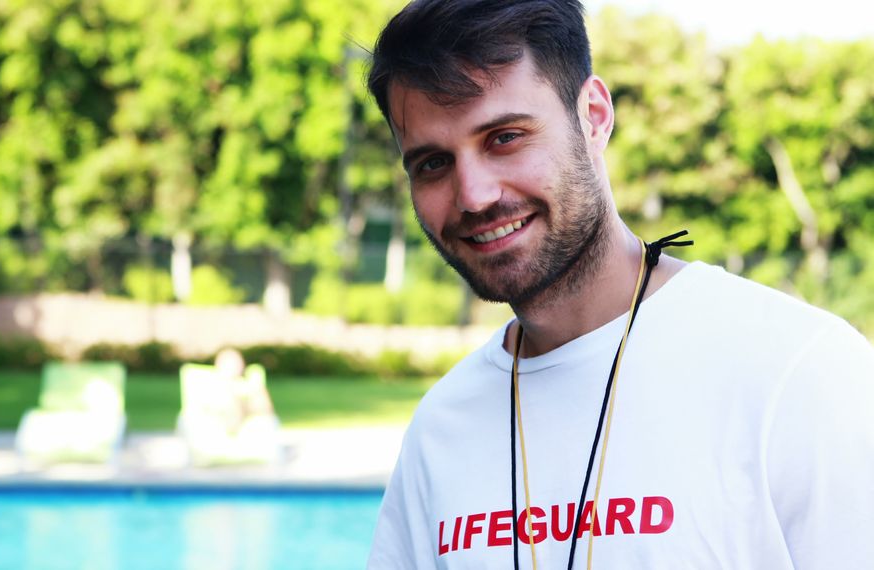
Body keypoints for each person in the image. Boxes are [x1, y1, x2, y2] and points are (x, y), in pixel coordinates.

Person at [363, 1, 874, 568]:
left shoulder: (799, 373)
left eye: (504, 137)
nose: (475, 195)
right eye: (433, 163)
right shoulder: (441, 429)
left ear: (594, 116)